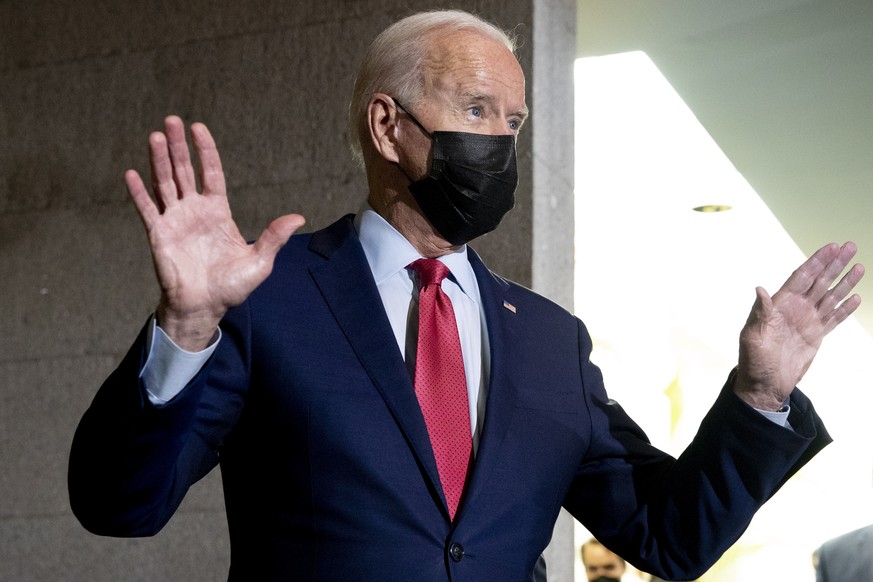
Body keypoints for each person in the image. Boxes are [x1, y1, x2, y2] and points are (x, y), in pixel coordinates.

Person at [68, 9, 865, 581]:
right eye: (476, 110)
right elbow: (119, 506)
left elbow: (669, 538)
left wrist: (760, 395)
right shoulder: (269, 301)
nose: (500, 144)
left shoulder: (552, 341)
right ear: (388, 127)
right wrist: (186, 324)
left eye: (513, 122)